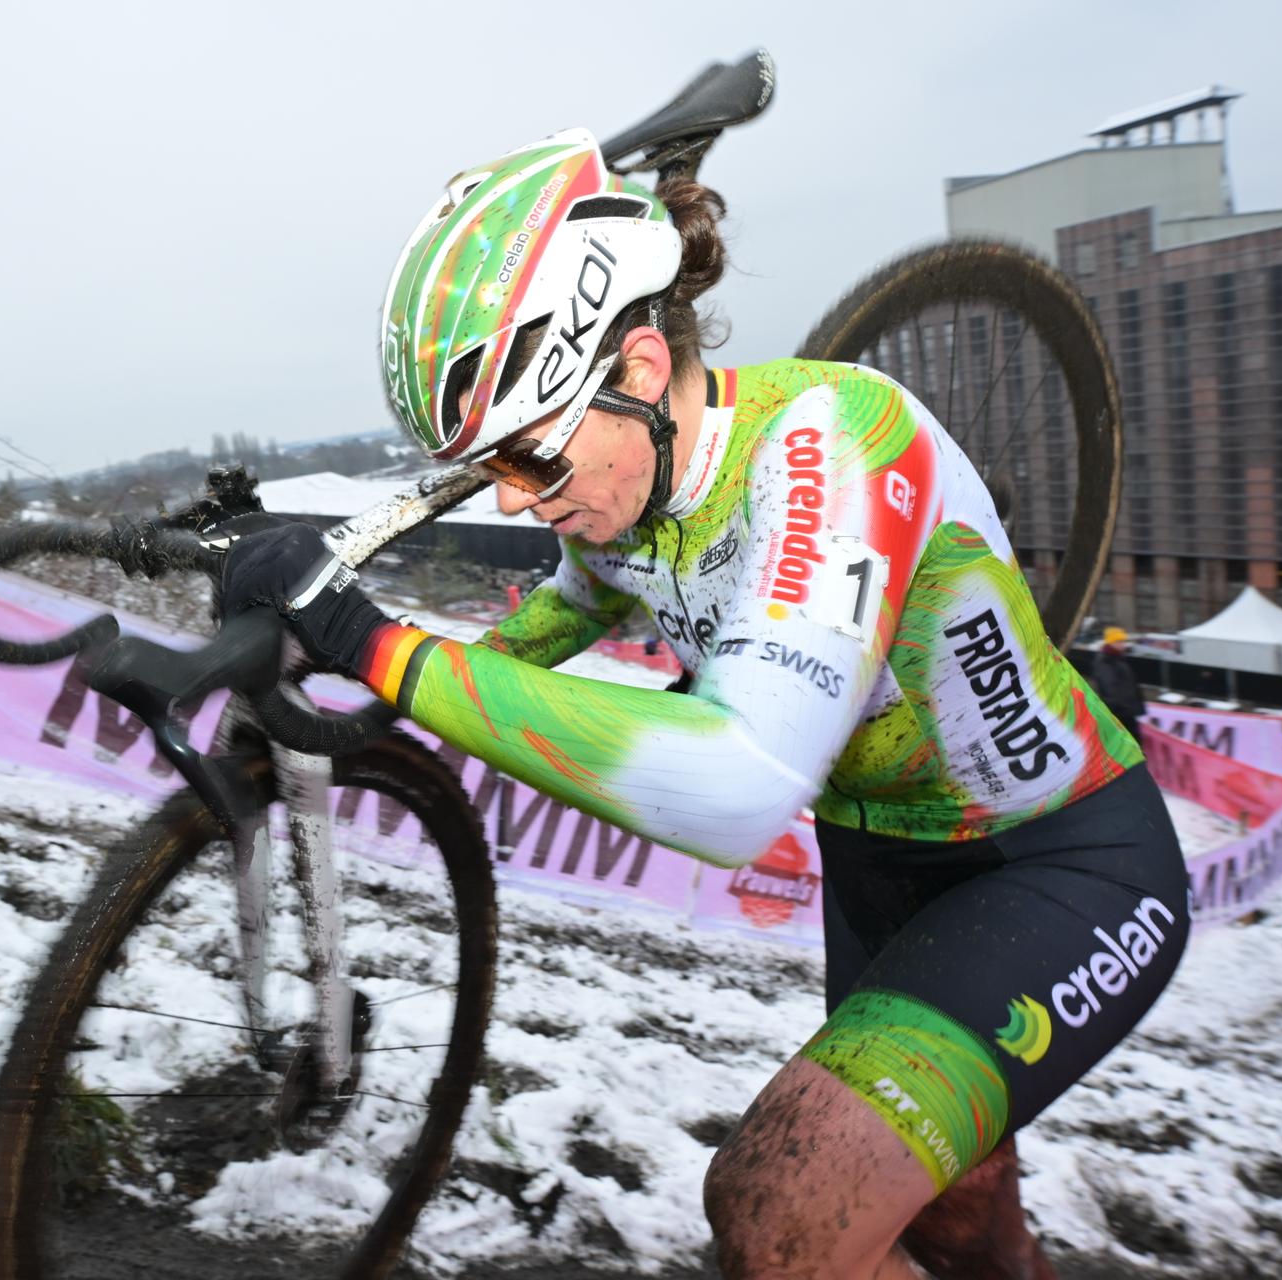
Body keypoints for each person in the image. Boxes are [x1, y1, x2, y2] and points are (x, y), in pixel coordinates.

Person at [224, 129, 1191, 1279]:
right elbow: (542, 632)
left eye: (529, 461)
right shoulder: (623, 500)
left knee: (780, 1216)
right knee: (954, 1223)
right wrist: (369, 675)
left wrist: (381, 648)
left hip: (1057, 863)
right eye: (491, 473)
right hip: (885, 875)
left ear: (637, 368)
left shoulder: (831, 442)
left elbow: (736, 784)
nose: (522, 501)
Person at [1090, 627, 1148, 741]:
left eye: (1123, 641)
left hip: (1126, 711)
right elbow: (1110, 687)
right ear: (1111, 643)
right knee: (1131, 742)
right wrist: (1124, 706)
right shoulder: (1106, 661)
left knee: (1134, 742)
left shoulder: (1116, 658)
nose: (1123, 644)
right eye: (1119, 641)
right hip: (1121, 712)